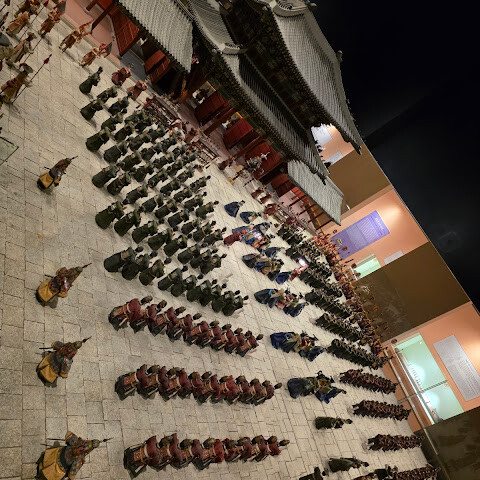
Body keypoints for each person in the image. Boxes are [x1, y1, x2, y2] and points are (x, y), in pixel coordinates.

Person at [36, 431, 101, 480]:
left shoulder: (76, 441)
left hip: (56, 453)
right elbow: (71, 474)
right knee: (47, 476)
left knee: (45, 459)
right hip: (58, 468)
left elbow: (68, 434)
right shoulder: (78, 460)